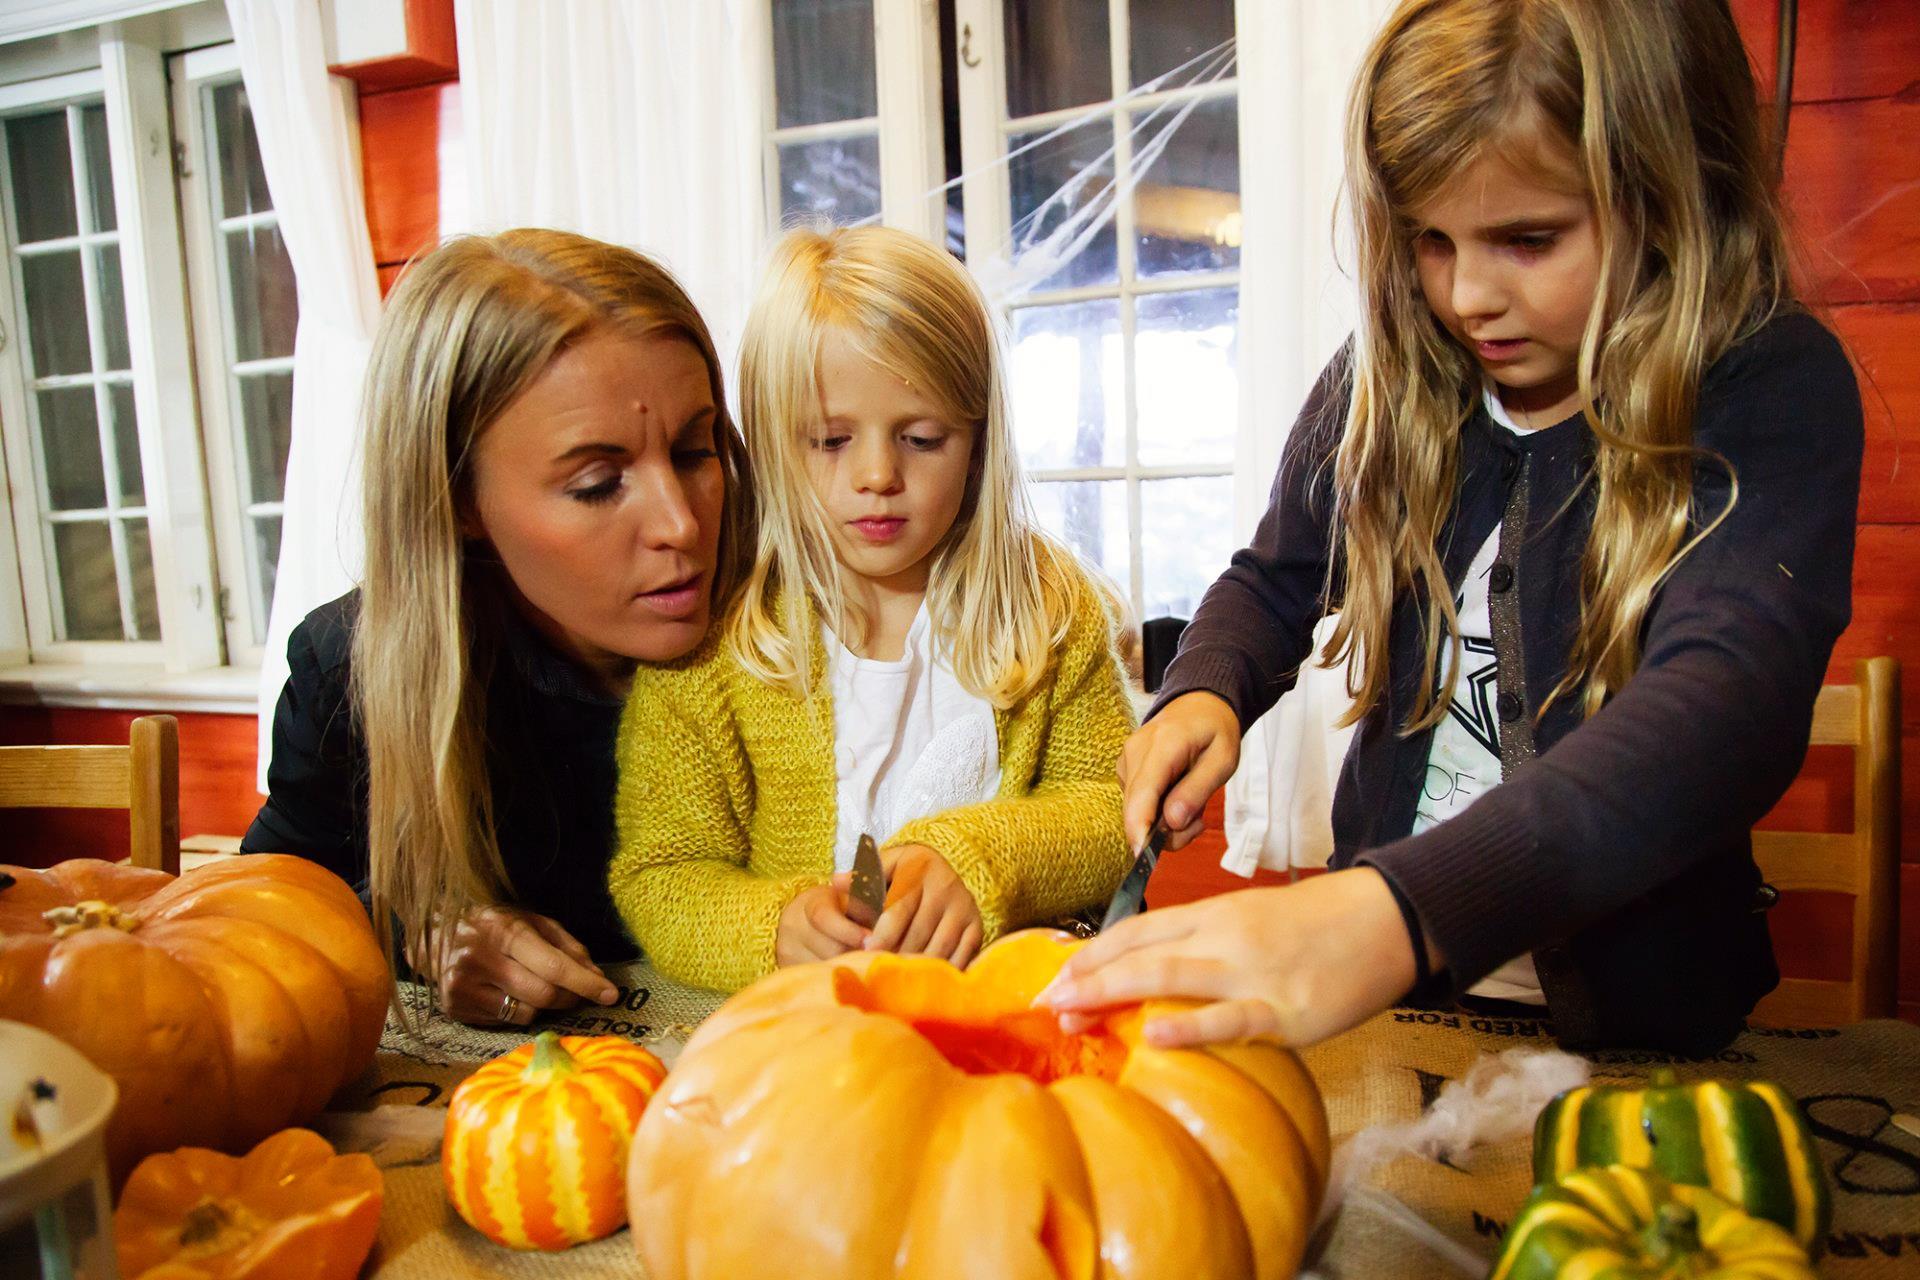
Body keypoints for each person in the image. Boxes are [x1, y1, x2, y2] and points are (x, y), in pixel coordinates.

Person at [1041, 0, 1863, 1055]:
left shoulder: (1767, 389)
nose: (1469, 294)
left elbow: (1720, 708)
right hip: (1397, 1020)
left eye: (1529, 239)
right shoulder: (1386, 383)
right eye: (1431, 241)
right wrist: (1209, 683)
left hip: (1639, 1040)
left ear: (1670, 193)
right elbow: (1275, 581)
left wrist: (1393, 913)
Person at [242, 230, 754, 1027]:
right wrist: (426, 932)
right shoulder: (353, 669)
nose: (681, 524)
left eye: (697, 449)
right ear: (460, 503)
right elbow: (266, 910)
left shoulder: (821, 627)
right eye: (596, 483)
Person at [608, 226, 1133, 992]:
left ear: (978, 441)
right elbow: (660, 875)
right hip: (809, 1040)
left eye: (922, 438)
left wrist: (975, 856)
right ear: (772, 444)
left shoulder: (1048, 608)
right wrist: (775, 928)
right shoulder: (717, 645)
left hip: (1008, 1018)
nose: (878, 474)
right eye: (829, 440)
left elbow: (1111, 809)